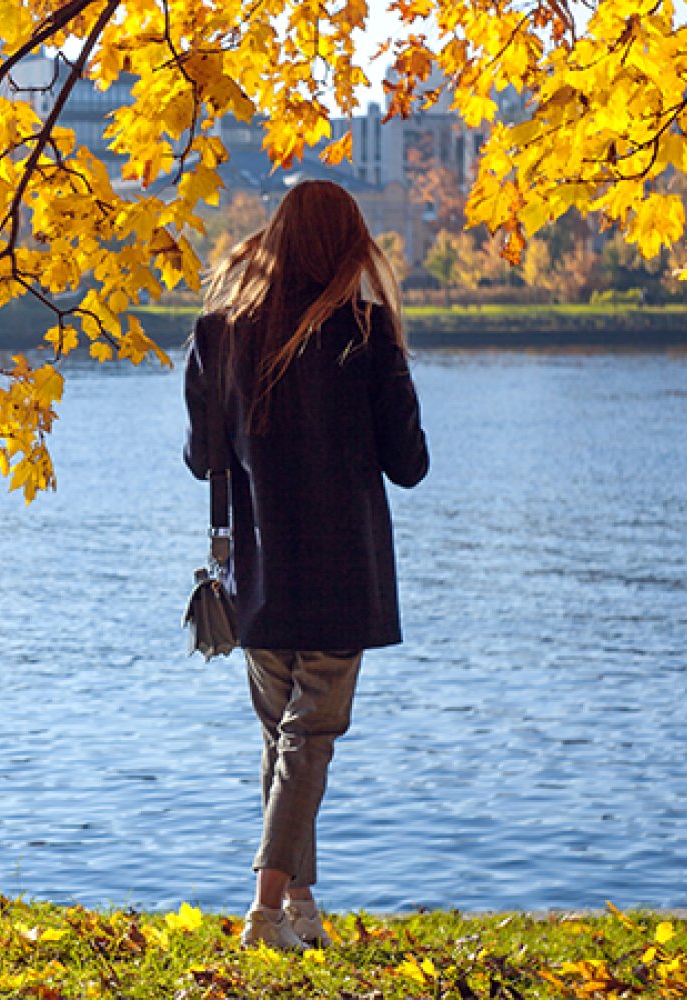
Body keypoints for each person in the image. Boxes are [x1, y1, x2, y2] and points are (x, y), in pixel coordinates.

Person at [183, 180, 429, 951]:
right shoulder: (366, 331)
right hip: (340, 571)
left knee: (286, 744)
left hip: (255, 572)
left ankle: (300, 911)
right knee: (307, 739)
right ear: (348, 246)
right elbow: (410, 464)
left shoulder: (218, 332)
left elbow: (200, 460)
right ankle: (263, 912)